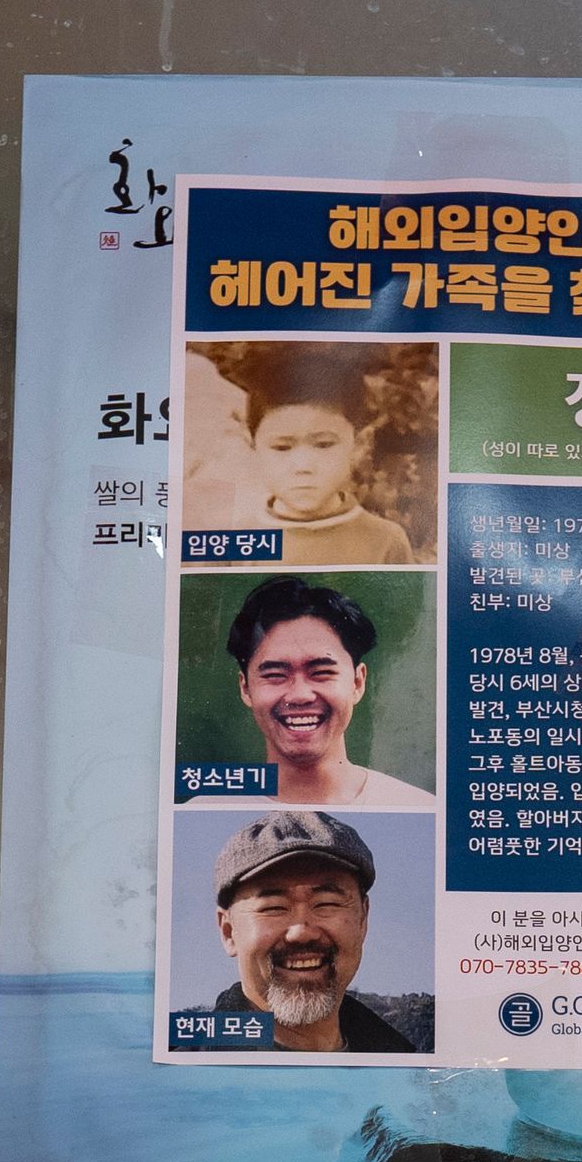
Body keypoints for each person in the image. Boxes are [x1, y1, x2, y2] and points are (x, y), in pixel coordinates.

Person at [209, 810, 433, 1054]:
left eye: (327, 903)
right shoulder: (182, 1075)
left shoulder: (408, 1068)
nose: (302, 933)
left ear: (363, 919)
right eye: (274, 908)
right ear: (228, 932)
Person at [216, 574, 430, 807]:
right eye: (276, 675)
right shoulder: (209, 808)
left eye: (320, 672)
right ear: (245, 688)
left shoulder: (415, 804)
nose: (300, 695)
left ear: (357, 682)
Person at [228, 349, 422, 564]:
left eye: (323, 444)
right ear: (252, 445)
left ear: (360, 444)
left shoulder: (386, 541)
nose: (303, 466)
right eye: (282, 447)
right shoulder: (237, 544)